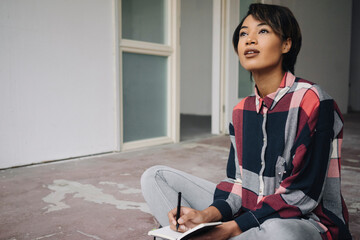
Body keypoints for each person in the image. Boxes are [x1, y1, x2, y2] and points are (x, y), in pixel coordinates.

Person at [141, 3, 352, 240]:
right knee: (155, 176)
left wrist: (227, 229)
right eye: (243, 33)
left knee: (278, 233)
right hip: (248, 211)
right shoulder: (241, 110)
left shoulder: (313, 100)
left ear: (286, 44)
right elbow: (237, 182)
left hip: (302, 220)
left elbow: (302, 195)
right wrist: (207, 215)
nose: (249, 39)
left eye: (262, 31)